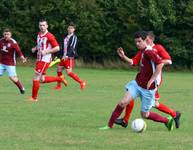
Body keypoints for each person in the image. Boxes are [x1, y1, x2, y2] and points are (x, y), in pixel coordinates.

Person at [99, 31, 173, 131]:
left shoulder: (149, 51)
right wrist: (123, 56)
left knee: (144, 115)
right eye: (136, 42)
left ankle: (166, 121)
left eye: (139, 41)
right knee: (122, 103)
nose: (137, 44)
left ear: (145, 41)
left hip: (148, 89)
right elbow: (133, 62)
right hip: (137, 84)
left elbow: (160, 64)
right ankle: (109, 125)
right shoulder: (141, 51)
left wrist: (152, 79)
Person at [29, 19, 67, 102]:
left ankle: (34, 98)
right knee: (42, 79)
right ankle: (59, 79)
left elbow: (57, 48)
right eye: (40, 25)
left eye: (43, 25)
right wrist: (35, 48)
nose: (42, 27)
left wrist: (46, 51)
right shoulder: (39, 34)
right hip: (39, 58)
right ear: (39, 26)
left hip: (45, 60)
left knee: (36, 77)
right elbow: (40, 44)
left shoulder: (50, 36)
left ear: (47, 26)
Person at [54, 23, 86, 90]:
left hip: (69, 57)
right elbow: (62, 47)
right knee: (58, 70)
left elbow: (72, 47)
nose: (70, 29)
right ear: (67, 28)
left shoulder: (74, 37)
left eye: (71, 28)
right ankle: (59, 85)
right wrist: (58, 55)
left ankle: (81, 82)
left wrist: (67, 55)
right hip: (63, 57)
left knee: (69, 72)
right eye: (69, 28)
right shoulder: (65, 37)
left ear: (74, 29)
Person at [0, 28, 26, 94]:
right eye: (5, 34)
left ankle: (21, 88)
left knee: (12, 77)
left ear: (11, 35)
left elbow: (18, 51)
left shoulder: (13, 42)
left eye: (8, 34)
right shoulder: (1, 41)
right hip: (1, 62)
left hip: (10, 63)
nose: (6, 35)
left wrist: (22, 58)